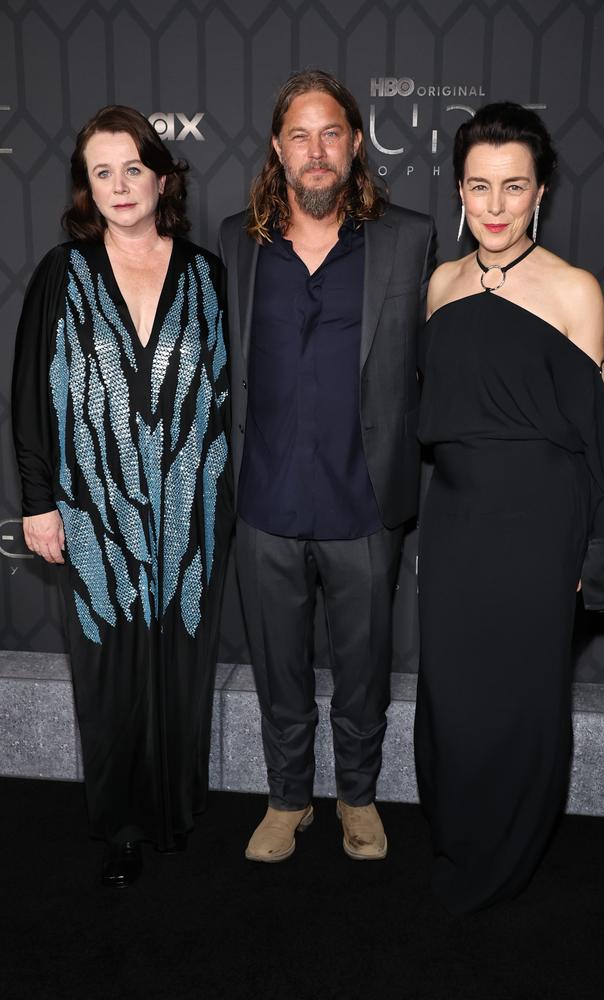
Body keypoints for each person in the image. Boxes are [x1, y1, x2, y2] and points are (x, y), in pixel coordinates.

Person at [415, 102, 604, 914]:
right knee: (453, 697)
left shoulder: (575, 289)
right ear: (459, 192)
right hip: (456, 524)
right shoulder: (438, 285)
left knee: (522, 701)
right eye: (480, 187)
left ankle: (501, 862)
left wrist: (599, 551)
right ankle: (457, 837)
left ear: (540, 192)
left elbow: (599, 442)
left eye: (514, 187)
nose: (496, 206)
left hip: (541, 528)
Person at [12, 105, 233, 888]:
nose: (118, 186)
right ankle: (123, 827)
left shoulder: (209, 274)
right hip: (94, 512)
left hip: (191, 516)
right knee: (107, 674)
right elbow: (31, 396)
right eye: (101, 172)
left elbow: (234, 393)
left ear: (162, 174)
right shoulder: (60, 273)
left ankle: (175, 809)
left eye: (132, 168)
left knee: (181, 665)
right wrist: (38, 502)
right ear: (86, 188)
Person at [218, 70, 435, 863]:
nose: (317, 152)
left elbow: (443, 361)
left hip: (364, 501)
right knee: (278, 667)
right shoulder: (233, 242)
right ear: (278, 147)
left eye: (331, 134)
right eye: (300, 135)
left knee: (363, 669)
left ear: (355, 143)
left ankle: (357, 797)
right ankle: (285, 800)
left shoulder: (409, 239)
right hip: (265, 500)